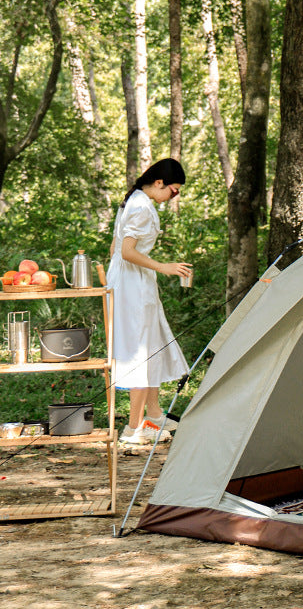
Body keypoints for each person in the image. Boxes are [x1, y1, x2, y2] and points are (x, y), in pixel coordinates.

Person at [107, 158, 192, 444]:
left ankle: (154, 414)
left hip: (136, 282)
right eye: (175, 190)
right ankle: (133, 427)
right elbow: (126, 251)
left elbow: (114, 248)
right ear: (160, 183)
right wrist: (162, 266)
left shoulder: (138, 200)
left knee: (153, 345)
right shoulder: (141, 206)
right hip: (132, 284)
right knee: (140, 351)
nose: (174, 195)